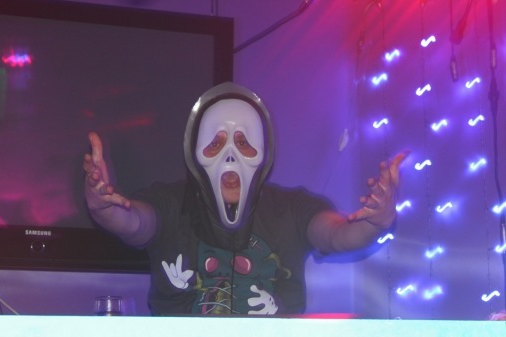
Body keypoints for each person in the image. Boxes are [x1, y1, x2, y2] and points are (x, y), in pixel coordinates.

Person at [83, 82, 407, 315]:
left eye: (243, 142)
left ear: (264, 154)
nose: (230, 156)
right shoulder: (170, 203)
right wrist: (104, 209)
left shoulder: (292, 209)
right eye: (215, 143)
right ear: (194, 153)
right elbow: (134, 221)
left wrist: (375, 221)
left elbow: (337, 234)